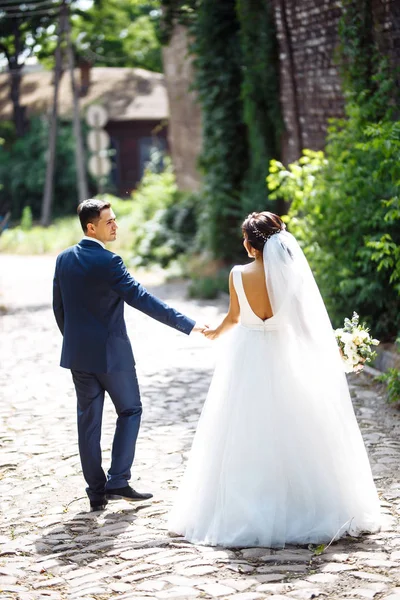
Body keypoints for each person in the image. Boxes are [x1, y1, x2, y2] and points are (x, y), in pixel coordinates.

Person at [168, 211, 381, 548]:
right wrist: (338, 354)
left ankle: (248, 506)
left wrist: (214, 333)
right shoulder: (291, 276)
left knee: (244, 429)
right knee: (297, 424)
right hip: (285, 355)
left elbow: (235, 317)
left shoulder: (238, 274)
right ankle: (306, 505)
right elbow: (306, 325)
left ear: (251, 245)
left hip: (248, 356)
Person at [53, 199, 206, 512]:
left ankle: (96, 492)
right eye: (108, 221)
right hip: (111, 356)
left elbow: (59, 308)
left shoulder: (63, 259)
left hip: (77, 355)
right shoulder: (110, 262)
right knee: (131, 410)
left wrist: (75, 341)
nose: (115, 225)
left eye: (115, 219)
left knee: (88, 422)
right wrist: (188, 325)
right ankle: (118, 480)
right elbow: (143, 299)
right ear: (90, 227)